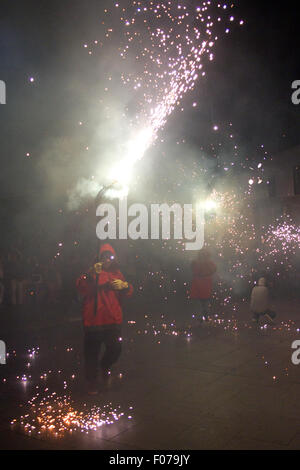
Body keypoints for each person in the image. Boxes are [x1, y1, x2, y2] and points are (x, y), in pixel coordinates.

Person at [76, 244, 133, 395]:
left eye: (110, 257)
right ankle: (92, 382)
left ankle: (105, 366)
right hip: (93, 320)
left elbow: (128, 291)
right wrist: (91, 275)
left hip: (112, 319)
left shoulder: (117, 273)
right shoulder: (92, 271)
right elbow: (81, 288)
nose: (107, 259)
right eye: (104, 256)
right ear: (99, 258)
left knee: (115, 349)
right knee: (91, 354)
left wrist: (125, 286)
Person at [190, 248, 217, 322]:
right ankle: (203, 318)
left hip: (201, 283)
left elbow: (213, 270)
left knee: (202, 302)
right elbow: (213, 270)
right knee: (203, 302)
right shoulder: (206, 263)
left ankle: (202, 318)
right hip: (202, 283)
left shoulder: (197, 262)